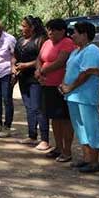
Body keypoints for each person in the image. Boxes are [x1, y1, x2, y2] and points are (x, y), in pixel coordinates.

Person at [59, 21, 99, 173]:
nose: (72, 36)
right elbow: (71, 70)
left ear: (84, 34)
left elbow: (86, 73)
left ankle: (94, 161)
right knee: (80, 128)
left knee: (91, 128)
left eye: (75, 33)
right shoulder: (76, 51)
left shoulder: (92, 50)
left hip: (86, 96)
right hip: (73, 96)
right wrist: (64, 85)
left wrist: (70, 86)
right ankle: (86, 158)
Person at [36, 18, 75, 163]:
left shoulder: (67, 43)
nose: (50, 32)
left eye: (53, 30)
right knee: (54, 118)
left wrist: (43, 70)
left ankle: (67, 150)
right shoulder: (46, 43)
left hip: (60, 86)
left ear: (62, 31)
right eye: (49, 29)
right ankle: (58, 147)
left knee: (65, 119)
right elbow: (39, 58)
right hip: (47, 85)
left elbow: (60, 62)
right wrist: (39, 70)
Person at [13, 16, 50, 150]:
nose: (21, 28)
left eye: (24, 26)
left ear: (32, 27)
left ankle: (45, 139)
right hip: (23, 77)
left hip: (35, 78)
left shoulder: (40, 40)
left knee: (38, 108)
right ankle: (32, 135)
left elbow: (41, 59)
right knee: (29, 107)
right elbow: (15, 56)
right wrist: (14, 66)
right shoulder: (20, 40)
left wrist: (27, 65)